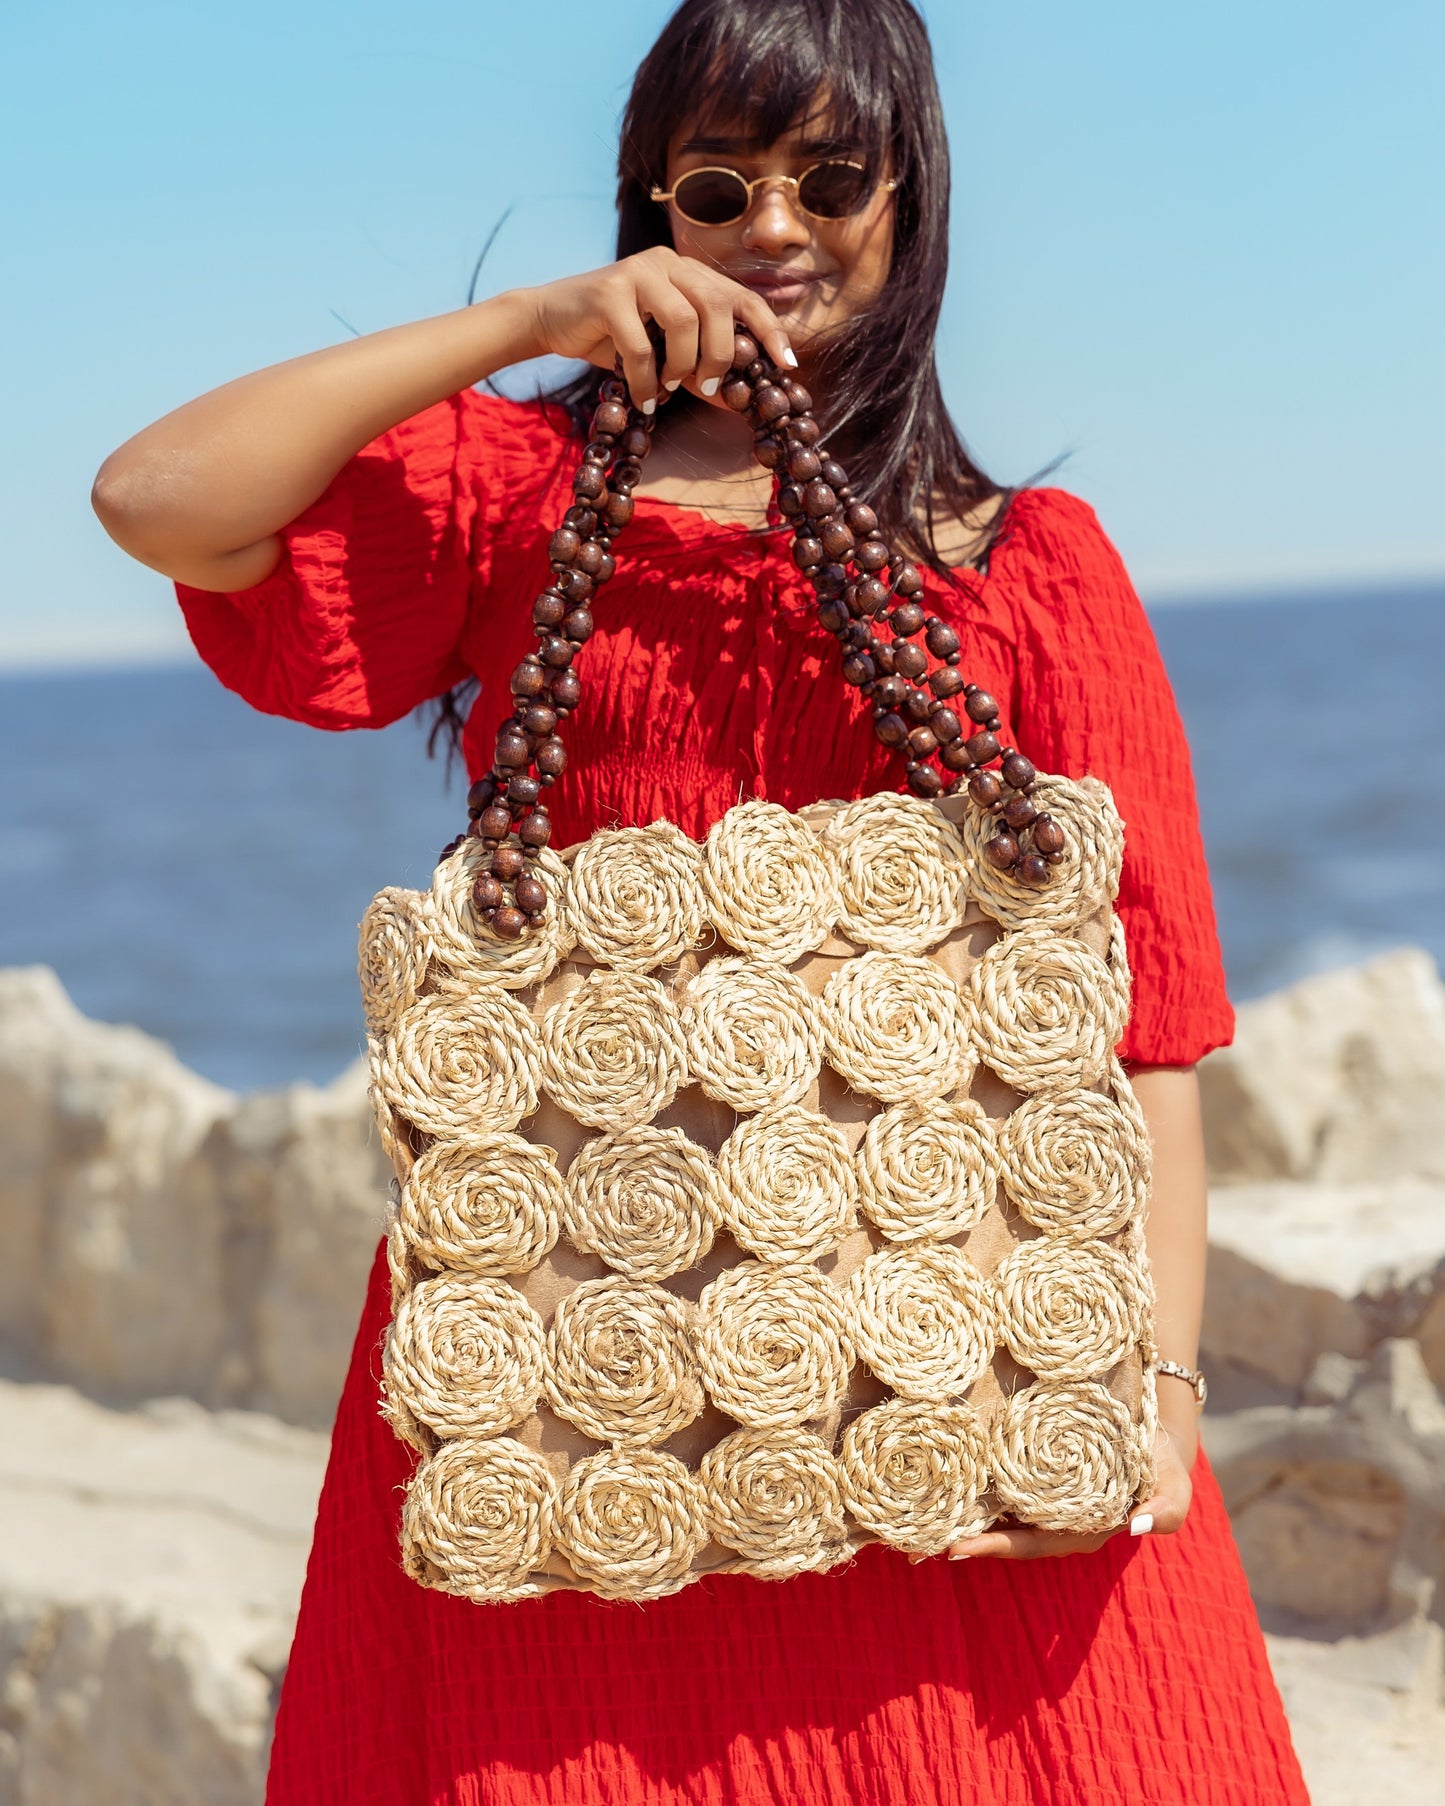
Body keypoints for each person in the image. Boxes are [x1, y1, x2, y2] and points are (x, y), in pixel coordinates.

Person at [92, 1, 1310, 1799]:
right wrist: (528, 324)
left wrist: (1156, 1390)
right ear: (651, 204)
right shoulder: (517, 496)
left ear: (911, 195)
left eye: (831, 175)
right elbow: (157, 498)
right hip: (579, 1345)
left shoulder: (1033, 571)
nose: (777, 229)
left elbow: (1147, 1027)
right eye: (720, 184)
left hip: (955, 1351)